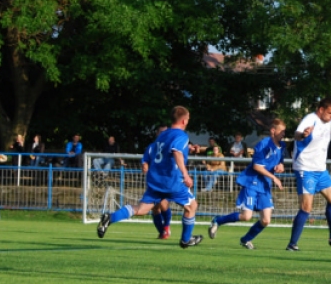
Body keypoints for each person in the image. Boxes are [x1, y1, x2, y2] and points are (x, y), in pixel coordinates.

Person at [97, 106, 203, 248]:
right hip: (171, 181)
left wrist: (188, 149)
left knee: (141, 209)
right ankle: (185, 240)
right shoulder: (182, 136)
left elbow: (168, 150)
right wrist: (185, 174)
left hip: (155, 180)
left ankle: (110, 218)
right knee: (191, 207)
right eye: (188, 119)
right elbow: (177, 152)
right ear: (184, 121)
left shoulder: (163, 135)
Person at [209, 119, 287, 249]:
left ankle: (245, 240)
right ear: (273, 131)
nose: (284, 134)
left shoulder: (282, 145)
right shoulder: (263, 145)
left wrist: (281, 165)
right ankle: (217, 220)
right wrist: (274, 177)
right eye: (282, 131)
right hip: (252, 182)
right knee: (246, 216)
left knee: (266, 220)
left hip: (265, 185)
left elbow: (280, 159)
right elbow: (257, 166)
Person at [286, 97, 331, 251]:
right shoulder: (310, 119)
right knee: (306, 207)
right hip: (306, 168)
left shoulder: (327, 121)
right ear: (321, 110)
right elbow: (296, 134)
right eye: (330, 113)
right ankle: (292, 244)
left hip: (320, 169)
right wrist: (303, 135)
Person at [142, 125, 173, 239]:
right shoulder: (151, 147)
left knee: (163, 203)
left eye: (164, 132)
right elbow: (145, 160)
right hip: (153, 180)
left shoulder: (170, 146)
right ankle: (162, 232)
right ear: (156, 134)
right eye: (160, 132)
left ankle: (166, 227)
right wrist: (145, 165)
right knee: (155, 208)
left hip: (165, 181)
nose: (162, 135)